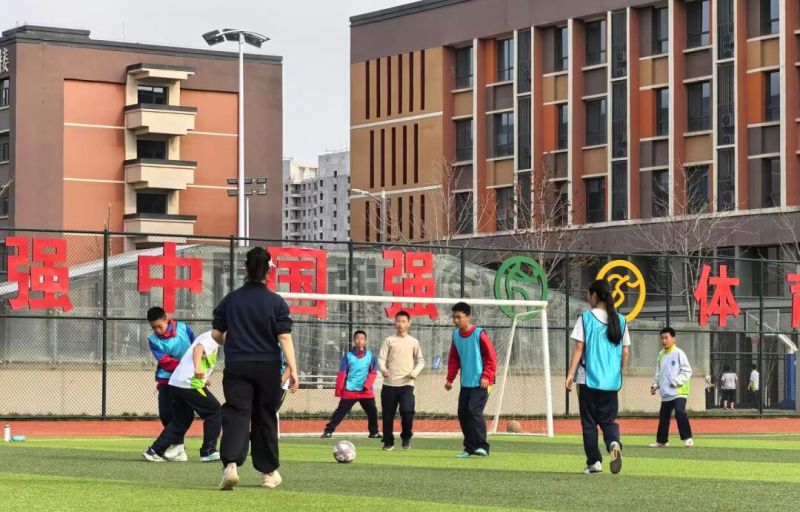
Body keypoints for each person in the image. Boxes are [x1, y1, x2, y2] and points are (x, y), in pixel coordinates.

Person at [212, 247, 299, 491]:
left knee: (237, 413)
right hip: (267, 367)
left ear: (246, 268)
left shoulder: (231, 299)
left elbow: (216, 333)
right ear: (269, 271)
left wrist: (232, 342)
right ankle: (268, 473)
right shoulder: (276, 302)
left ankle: (231, 466)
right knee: (265, 417)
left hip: (237, 365)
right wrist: (293, 369)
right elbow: (284, 337)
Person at [565, 280, 630, 475]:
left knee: (589, 423)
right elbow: (625, 351)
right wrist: (618, 371)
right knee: (608, 420)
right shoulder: (620, 320)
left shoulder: (585, 318)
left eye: (588, 294)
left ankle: (594, 462)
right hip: (611, 382)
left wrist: (570, 374)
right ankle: (613, 443)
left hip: (588, 380)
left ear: (594, 295)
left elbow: (579, 348)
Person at [143, 331, 222, 462]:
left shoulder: (208, 336)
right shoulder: (213, 337)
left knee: (181, 421)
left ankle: (154, 451)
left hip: (177, 382)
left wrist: (203, 377)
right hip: (189, 383)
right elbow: (198, 349)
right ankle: (208, 451)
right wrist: (197, 369)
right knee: (215, 412)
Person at [445, 302, 497, 458]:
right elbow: (454, 359)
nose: (456, 320)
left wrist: (486, 376)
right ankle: (469, 448)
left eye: (459, 317)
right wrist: (450, 379)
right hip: (466, 382)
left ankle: (482, 446)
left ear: (468, 317)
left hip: (482, 382)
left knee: (473, 411)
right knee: (463, 413)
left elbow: (492, 357)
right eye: (454, 317)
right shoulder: (456, 335)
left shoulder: (479, 334)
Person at [146, 306, 196, 461]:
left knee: (184, 414)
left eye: (159, 326)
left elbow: (196, 347)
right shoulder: (153, 340)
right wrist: (184, 365)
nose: (157, 330)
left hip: (187, 378)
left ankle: (178, 448)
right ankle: (179, 448)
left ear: (167, 320)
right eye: (154, 328)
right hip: (166, 379)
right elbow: (164, 361)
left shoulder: (184, 329)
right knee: (166, 414)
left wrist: (196, 368)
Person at [378, 310, 425, 451]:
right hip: (389, 385)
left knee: (407, 411)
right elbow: (381, 359)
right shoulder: (389, 340)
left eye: (403, 321)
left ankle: (406, 436)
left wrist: (414, 372)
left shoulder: (414, 342)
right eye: (398, 321)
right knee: (387, 416)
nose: (400, 324)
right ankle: (388, 442)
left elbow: (421, 361)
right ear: (394, 322)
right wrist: (383, 369)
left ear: (409, 323)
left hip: (406, 385)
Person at [320, 330, 380, 439]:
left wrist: (367, 385)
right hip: (350, 390)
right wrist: (339, 390)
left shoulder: (371, 356)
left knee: (372, 411)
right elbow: (342, 373)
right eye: (357, 338)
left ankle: (374, 432)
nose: (359, 341)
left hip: (365, 391)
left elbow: (373, 372)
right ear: (354, 341)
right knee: (340, 412)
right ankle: (328, 431)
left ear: (365, 341)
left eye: (362, 339)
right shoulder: (347, 356)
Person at [649, 327, 694, 448]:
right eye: (662, 338)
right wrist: (655, 385)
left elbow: (687, 371)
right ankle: (662, 441)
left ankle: (688, 438)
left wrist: (676, 381)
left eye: (666, 338)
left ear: (673, 338)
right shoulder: (661, 355)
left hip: (679, 391)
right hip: (666, 393)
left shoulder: (679, 353)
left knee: (679, 412)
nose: (664, 341)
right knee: (664, 416)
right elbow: (658, 373)